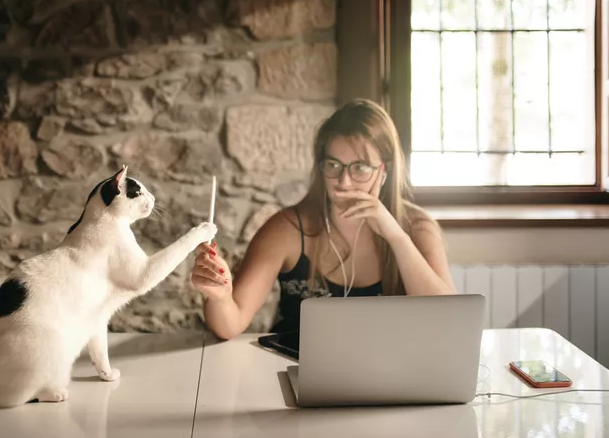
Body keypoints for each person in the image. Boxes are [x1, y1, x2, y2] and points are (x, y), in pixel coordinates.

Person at [190, 98, 456, 340]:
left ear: (383, 171)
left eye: (360, 168)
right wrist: (221, 296)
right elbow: (229, 324)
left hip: (392, 377)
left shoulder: (417, 227)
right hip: (294, 370)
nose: (344, 181)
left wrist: (396, 237)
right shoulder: (288, 230)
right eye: (333, 165)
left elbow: (448, 320)